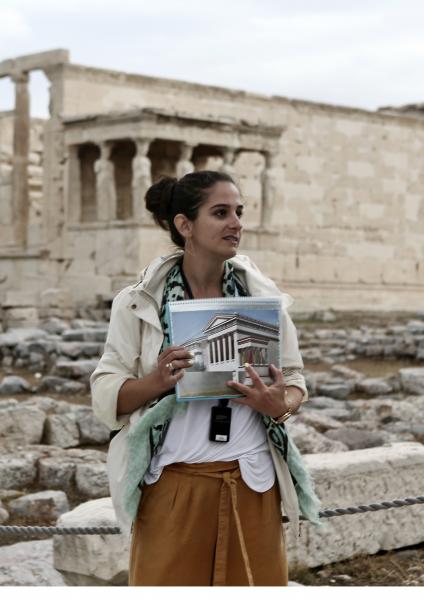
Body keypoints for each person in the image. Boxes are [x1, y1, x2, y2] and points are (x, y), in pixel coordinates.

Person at [90, 170, 321, 586]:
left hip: (252, 484)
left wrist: (279, 405)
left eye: (239, 211)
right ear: (185, 225)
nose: (236, 223)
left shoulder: (262, 299)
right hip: (174, 489)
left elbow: (294, 379)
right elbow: (107, 394)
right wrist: (157, 380)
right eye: (220, 213)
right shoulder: (137, 302)